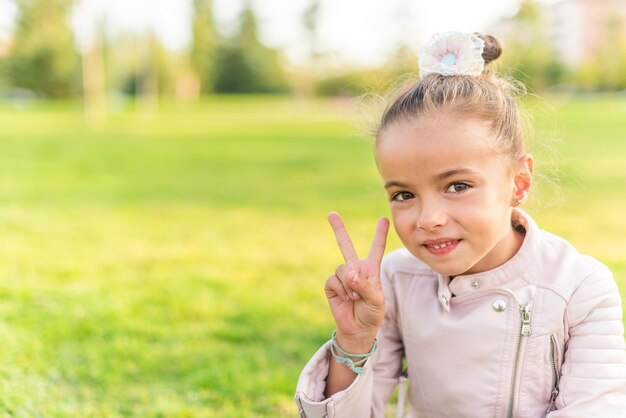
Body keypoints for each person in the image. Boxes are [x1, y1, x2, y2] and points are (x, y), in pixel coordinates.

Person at [294, 32, 626, 418]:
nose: (428, 219)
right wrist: (353, 342)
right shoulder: (396, 280)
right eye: (404, 195)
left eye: (457, 186)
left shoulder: (579, 286)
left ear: (518, 182)